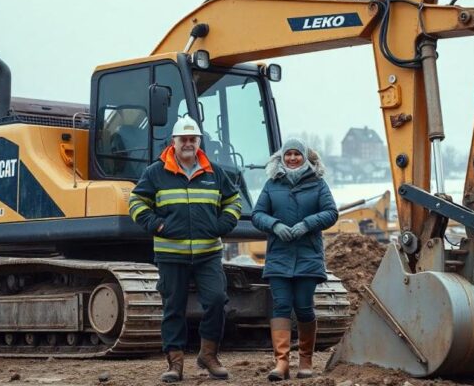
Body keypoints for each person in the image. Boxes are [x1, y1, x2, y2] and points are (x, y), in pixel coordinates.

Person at [129, 115, 242, 383]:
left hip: (208, 254)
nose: (188, 144)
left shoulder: (214, 172)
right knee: (173, 307)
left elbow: (234, 200)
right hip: (171, 254)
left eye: (193, 139)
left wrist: (224, 223)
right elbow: (136, 203)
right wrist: (156, 225)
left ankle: (208, 355)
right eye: (184, 139)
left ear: (199, 142)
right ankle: (175, 363)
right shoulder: (155, 173)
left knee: (216, 300)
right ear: (174, 142)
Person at [252, 138, 338, 381]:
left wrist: (306, 225)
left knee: (303, 306)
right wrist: (275, 225)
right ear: (281, 158)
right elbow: (258, 214)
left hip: (307, 256)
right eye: (287, 154)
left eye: (296, 154)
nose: (291, 158)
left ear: (304, 157)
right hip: (279, 256)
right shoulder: (272, 184)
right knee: (280, 305)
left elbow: (331, 213)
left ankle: (306, 360)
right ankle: (281, 364)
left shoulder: (318, 184)